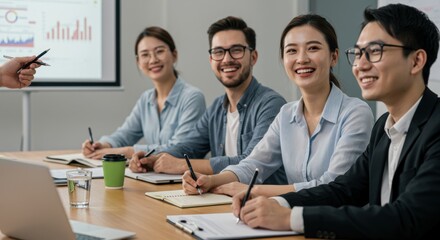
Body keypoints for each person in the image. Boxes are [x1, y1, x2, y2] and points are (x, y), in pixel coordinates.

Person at [232, 4, 440, 239]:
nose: (360, 65)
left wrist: (290, 218)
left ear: (416, 61)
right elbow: (344, 190)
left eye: (374, 51)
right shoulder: (384, 127)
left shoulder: (435, 127)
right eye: (359, 53)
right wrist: (279, 202)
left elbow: (407, 217)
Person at [182, 14, 374, 197]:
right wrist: (210, 180)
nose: (301, 58)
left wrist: (254, 191)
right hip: (287, 220)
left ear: (334, 56)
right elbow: (253, 164)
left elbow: (332, 186)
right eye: (291, 50)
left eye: (313, 48)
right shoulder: (286, 114)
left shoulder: (355, 113)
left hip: (334, 226)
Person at [129, 16, 287, 182]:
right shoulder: (217, 108)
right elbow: (188, 147)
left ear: (253, 57)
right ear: (211, 60)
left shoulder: (271, 104)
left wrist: (183, 165)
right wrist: (153, 159)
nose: (226, 59)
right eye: (218, 52)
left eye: (236, 50)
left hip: (263, 203)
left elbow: (250, 163)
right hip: (222, 200)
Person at [82, 26, 206, 159]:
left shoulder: (192, 97)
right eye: (145, 55)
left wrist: (129, 152)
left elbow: (180, 148)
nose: (153, 60)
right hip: (154, 176)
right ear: (138, 62)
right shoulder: (146, 99)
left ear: (174, 55)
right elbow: (125, 134)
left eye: (159, 51)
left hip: (183, 177)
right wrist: (103, 145)